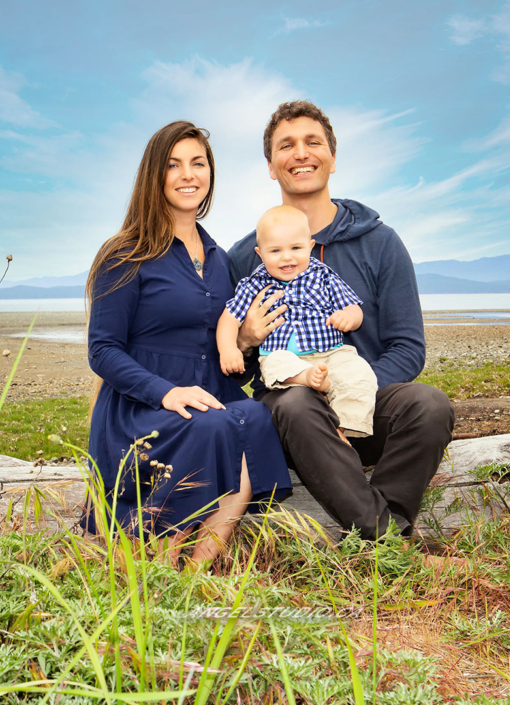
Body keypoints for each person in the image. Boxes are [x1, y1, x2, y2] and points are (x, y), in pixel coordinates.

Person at [228, 101, 455, 541]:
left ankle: (379, 531)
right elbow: (229, 358)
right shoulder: (245, 257)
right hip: (291, 415)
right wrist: (244, 338)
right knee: (297, 404)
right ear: (271, 167)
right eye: (286, 146)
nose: (301, 153)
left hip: (366, 406)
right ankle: (389, 543)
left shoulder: (380, 243)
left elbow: (408, 348)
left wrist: (347, 390)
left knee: (429, 405)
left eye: (313, 142)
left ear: (332, 157)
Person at [84, 120, 291, 567]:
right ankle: (160, 565)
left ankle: (198, 570)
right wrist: (167, 392)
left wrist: (248, 340)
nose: (188, 174)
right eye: (174, 165)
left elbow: (226, 343)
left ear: (210, 173)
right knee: (212, 425)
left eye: (198, 163)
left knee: (255, 416)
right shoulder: (125, 253)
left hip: (207, 395)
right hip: (142, 408)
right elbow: (102, 350)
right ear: (154, 175)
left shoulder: (220, 259)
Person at [217, 204, 378, 438]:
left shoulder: (323, 275)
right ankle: (306, 379)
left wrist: (348, 318)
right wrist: (229, 349)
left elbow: (353, 306)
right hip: (284, 356)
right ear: (259, 253)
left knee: (360, 372)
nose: (287, 257)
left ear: (310, 247)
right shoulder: (254, 284)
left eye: (295, 248)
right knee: (274, 365)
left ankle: (344, 426)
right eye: (275, 251)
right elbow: (229, 318)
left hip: (331, 353)